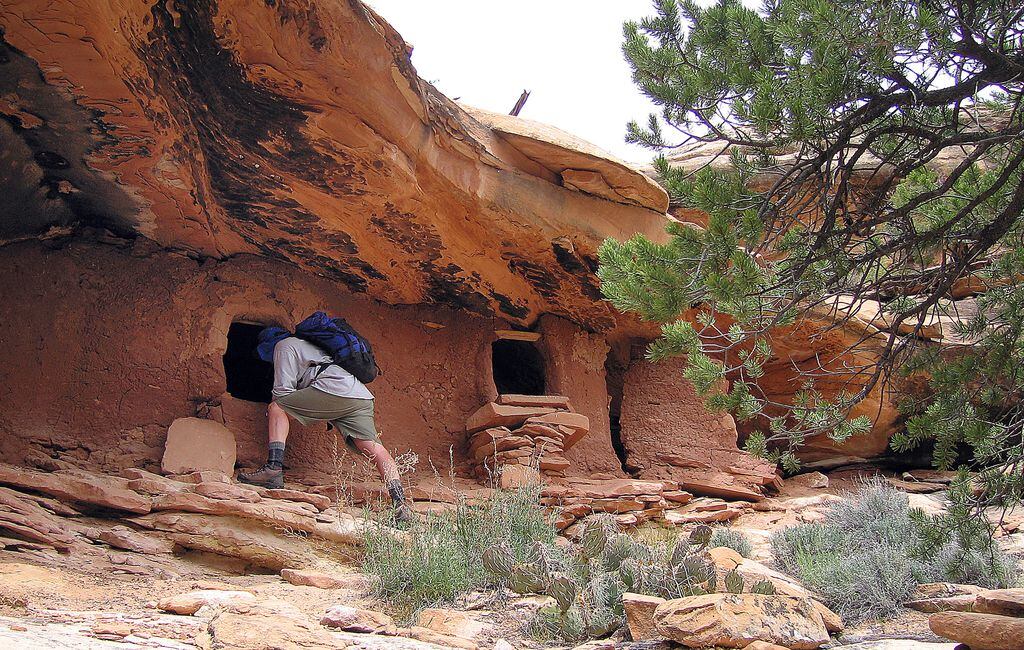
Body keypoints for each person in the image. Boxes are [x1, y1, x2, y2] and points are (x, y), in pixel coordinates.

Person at [238, 326, 415, 524]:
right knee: (374, 448)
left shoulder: (283, 346)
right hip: (359, 396)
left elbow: (282, 392)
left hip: (334, 390)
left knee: (277, 408)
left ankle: (273, 469)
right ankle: (400, 504)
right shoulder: (311, 346)